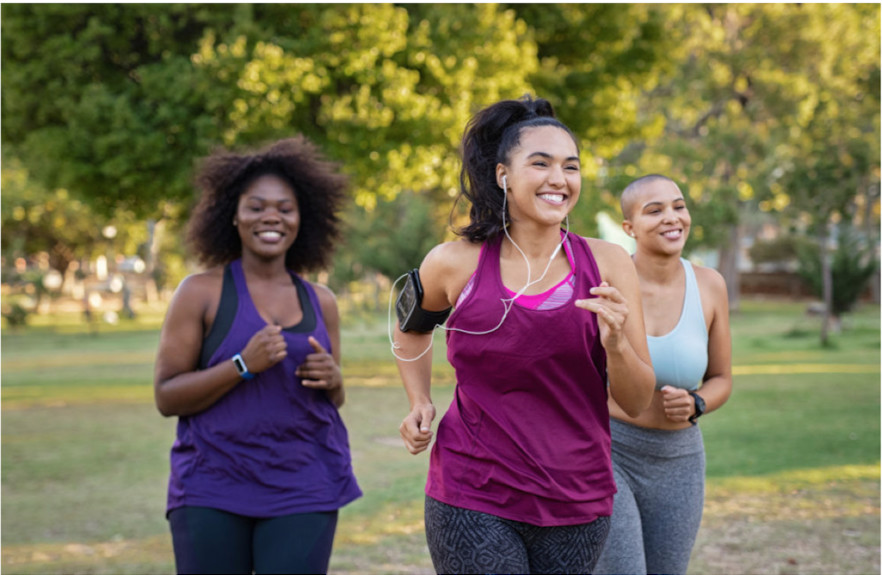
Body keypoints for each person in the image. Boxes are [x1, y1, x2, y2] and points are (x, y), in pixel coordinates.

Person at [392, 95, 656, 574]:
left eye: (571, 167)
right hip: (472, 490)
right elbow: (410, 328)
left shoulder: (609, 264)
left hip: (577, 497)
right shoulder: (453, 263)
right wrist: (419, 400)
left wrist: (616, 345)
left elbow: (636, 402)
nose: (559, 178)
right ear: (503, 175)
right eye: (541, 163)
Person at [153, 136, 361, 574]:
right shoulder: (200, 293)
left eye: (285, 208)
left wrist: (335, 380)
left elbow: (334, 399)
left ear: (302, 219)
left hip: (304, 484)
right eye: (256, 206)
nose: (271, 217)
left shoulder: (321, 301)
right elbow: (167, 397)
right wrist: (242, 365)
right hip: (212, 485)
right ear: (233, 214)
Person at [594, 174, 733, 575]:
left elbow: (722, 378)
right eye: (654, 210)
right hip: (610, 452)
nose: (672, 217)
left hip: (680, 460)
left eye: (678, 206)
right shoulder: (604, 286)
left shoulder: (710, 285)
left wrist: (696, 402)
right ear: (629, 228)